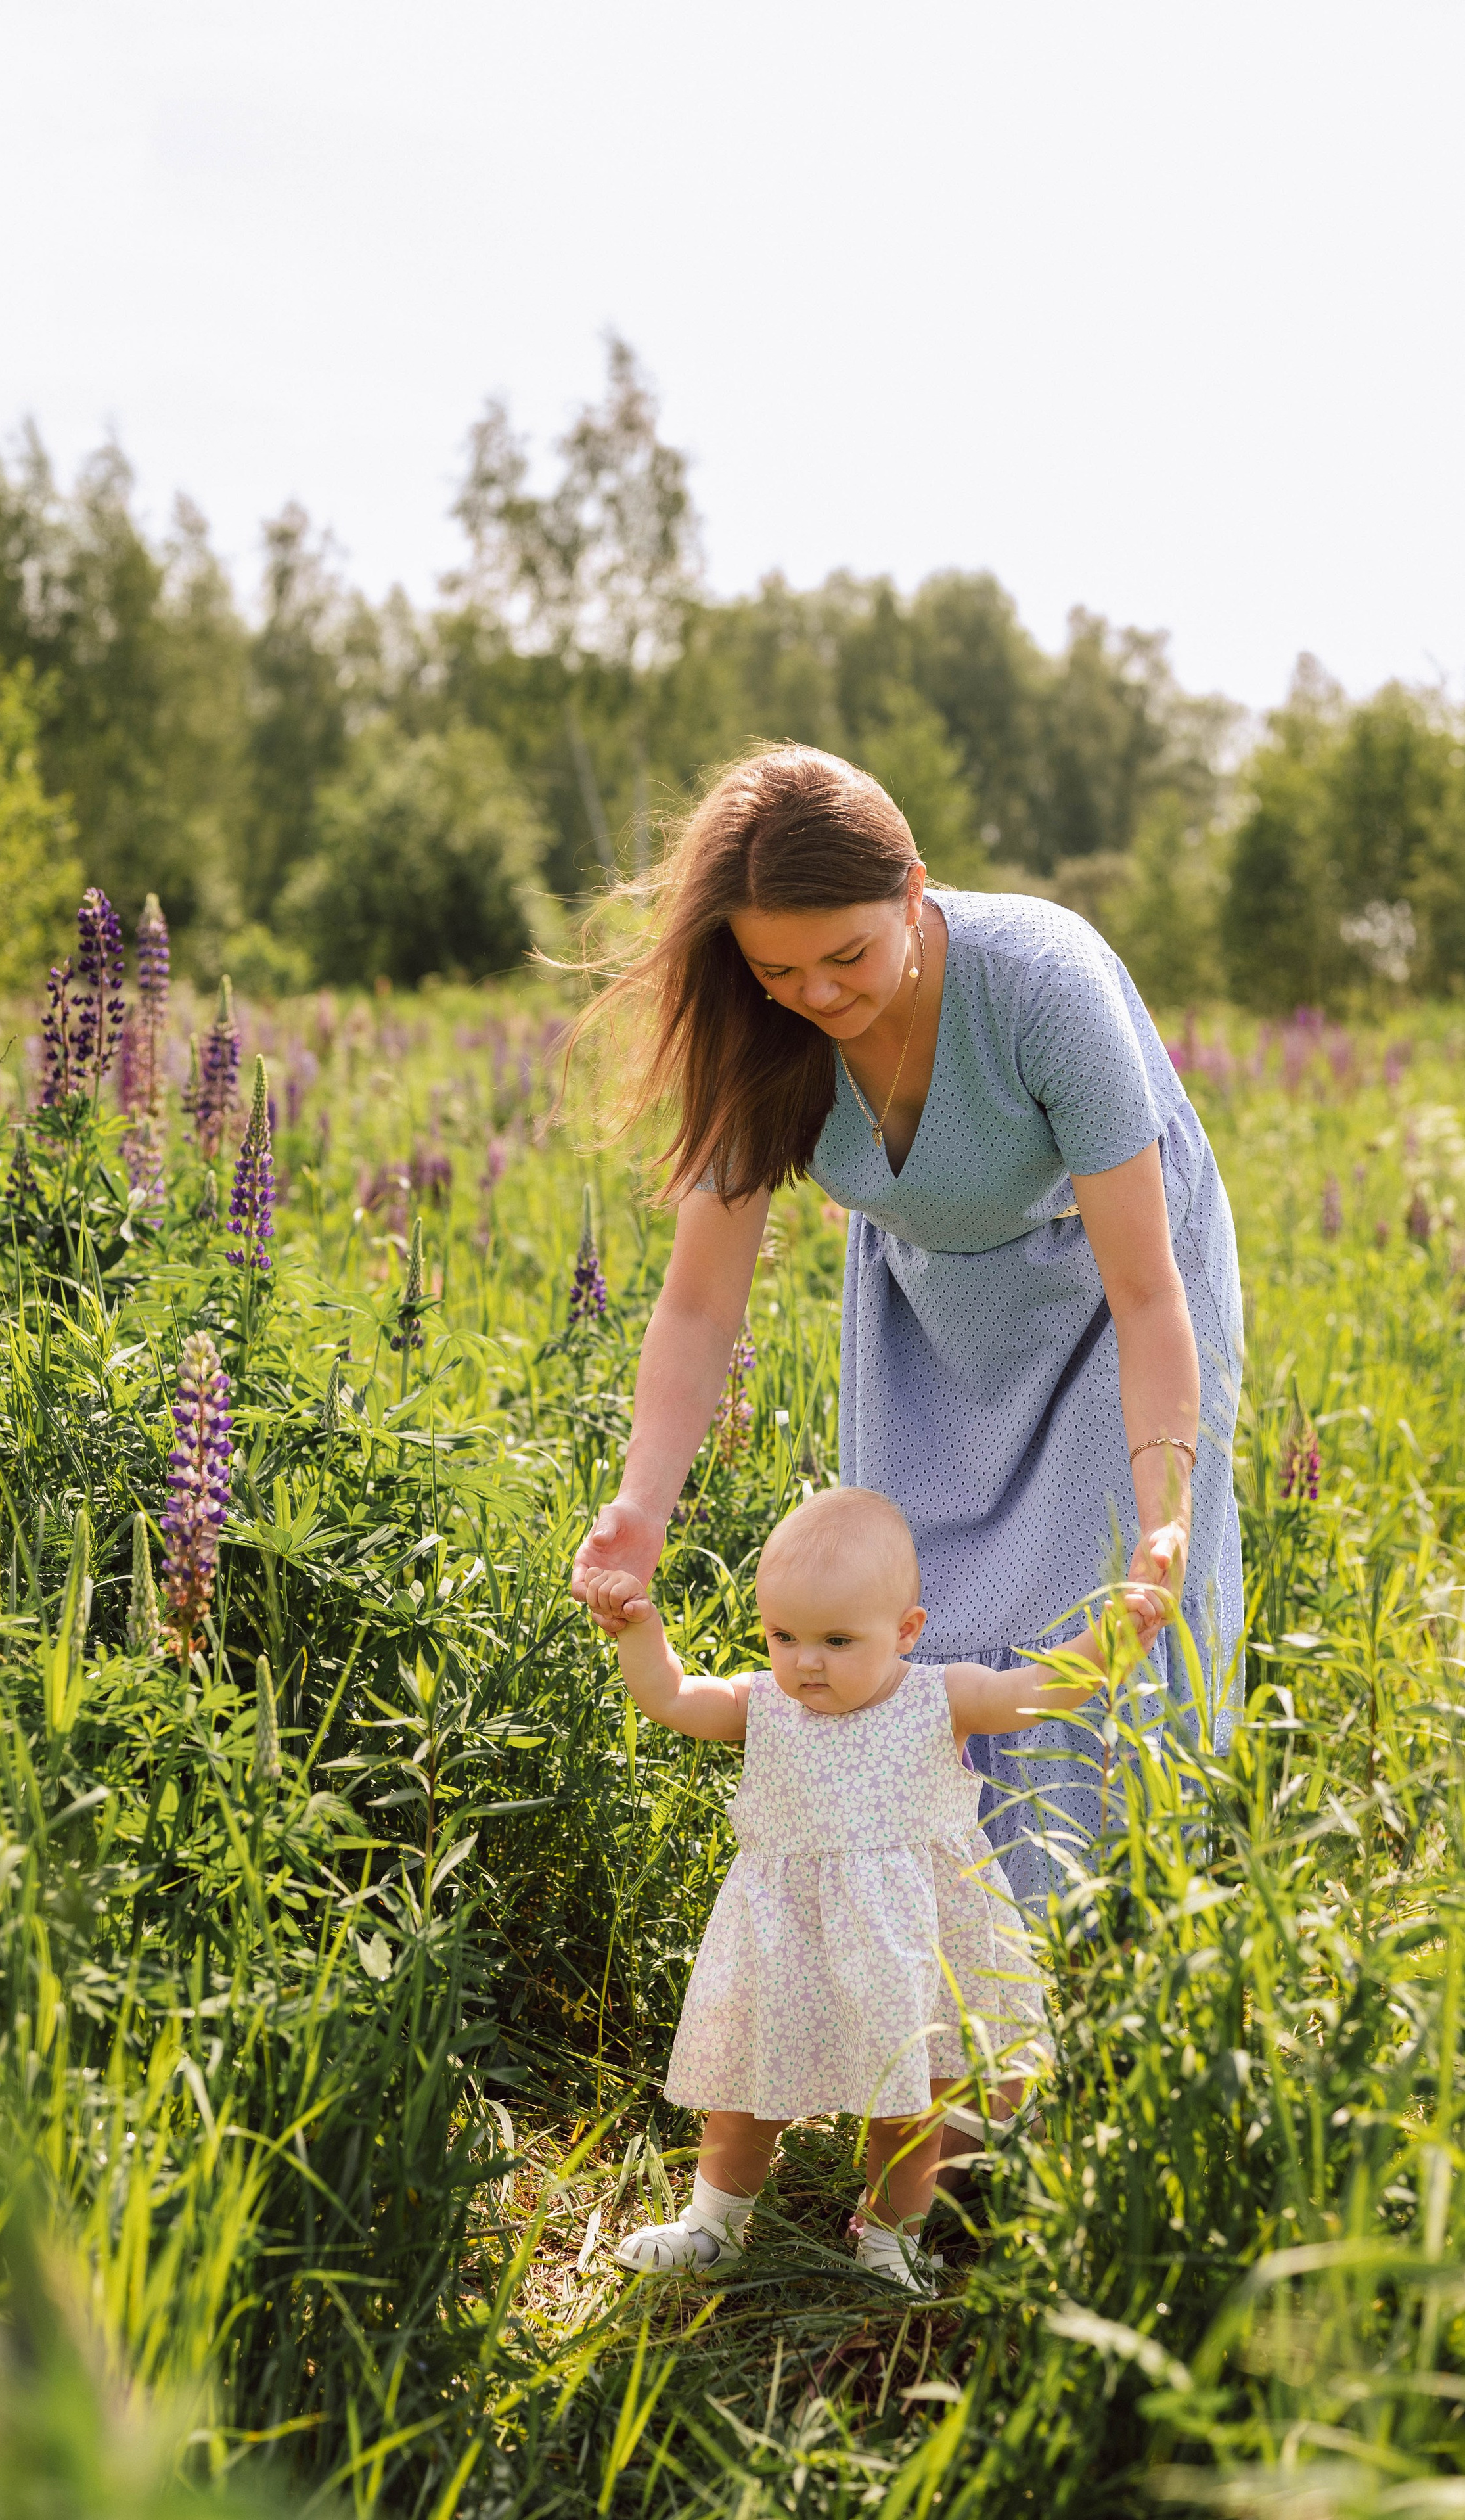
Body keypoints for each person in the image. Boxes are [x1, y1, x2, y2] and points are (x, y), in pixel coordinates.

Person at [570, 745, 1242, 1908]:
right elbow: (698, 1302)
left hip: (1112, 1291)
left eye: (848, 954)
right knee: (910, 1619)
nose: (818, 994)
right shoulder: (756, 1029)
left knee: (1081, 1606)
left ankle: (1098, 1945)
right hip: (928, 1306)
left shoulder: (1043, 987)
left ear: (913, 892)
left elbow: (1147, 1292)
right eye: (779, 967)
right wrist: (640, 1506)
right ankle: (943, 1964)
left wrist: (1164, 1509)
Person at [579, 1486, 1170, 2289]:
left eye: (835, 1639)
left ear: (906, 1632)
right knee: (747, 2094)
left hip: (910, 1945)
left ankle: (890, 2238)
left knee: (913, 2098)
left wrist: (1110, 1643)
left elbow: (1033, 1692)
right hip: (788, 1938)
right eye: (783, 1635)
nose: (806, 1661)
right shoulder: (765, 1706)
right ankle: (713, 2224)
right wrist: (639, 1632)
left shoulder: (939, 1697)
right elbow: (672, 1696)